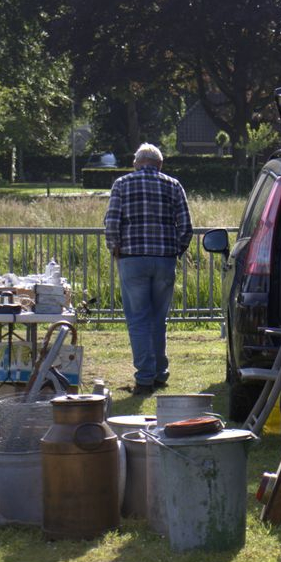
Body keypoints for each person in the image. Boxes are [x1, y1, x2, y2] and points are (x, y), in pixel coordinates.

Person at [105, 143, 193, 396]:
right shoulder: (173, 185)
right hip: (164, 258)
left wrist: (115, 247)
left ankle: (144, 378)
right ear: (160, 164)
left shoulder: (122, 184)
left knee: (138, 320)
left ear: (136, 163)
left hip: (132, 259)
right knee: (158, 319)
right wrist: (176, 249)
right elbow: (185, 224)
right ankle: (159, 373)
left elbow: (112, 221)